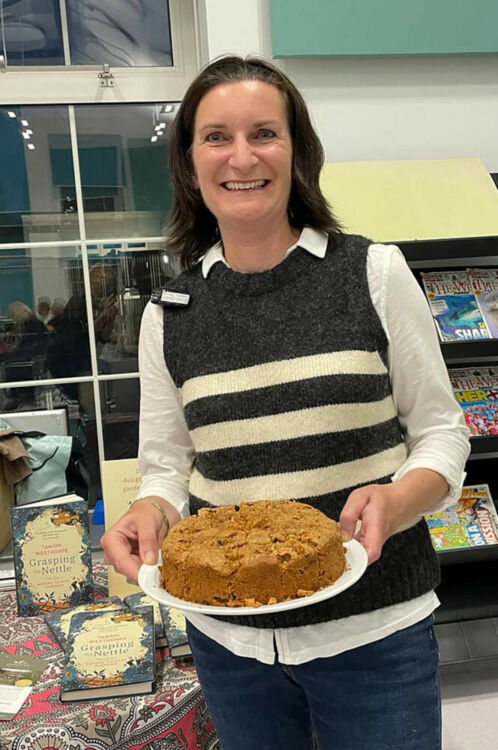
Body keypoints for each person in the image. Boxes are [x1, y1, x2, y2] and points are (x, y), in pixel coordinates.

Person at [101, 56, 470, 750]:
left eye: (264, 133)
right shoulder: (170, 312)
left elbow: (443, 436)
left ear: (297, 151)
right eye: (216, 137)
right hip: (229, 645)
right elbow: (165, 469)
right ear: (189, 161)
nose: (241, 156)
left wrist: (395, 502)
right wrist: (149, 512)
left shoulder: (373, 272)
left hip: (375, 633)